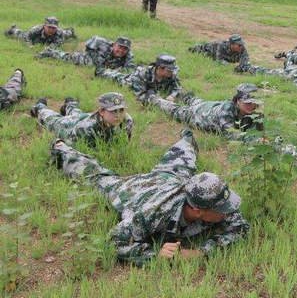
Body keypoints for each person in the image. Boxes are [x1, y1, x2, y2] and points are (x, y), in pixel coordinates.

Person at [50, 130, 249, 265]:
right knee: (95, 175)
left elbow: (241, 228)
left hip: (171, 178)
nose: (229, 211)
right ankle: (61, 149)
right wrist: (155, 255)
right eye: (222, 209)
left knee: (185, 154)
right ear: (197, 210)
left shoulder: (212, 203)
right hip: (135, 190)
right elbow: (114, 243)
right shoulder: (150, 213)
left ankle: (186, 136)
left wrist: (200, 252)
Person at [145, 84, 264, 142]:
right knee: (174, 110)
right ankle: (154, 99)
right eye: (247, 102)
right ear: (237, 101)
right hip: (198, 116)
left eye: (253, 102)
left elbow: (259, 132)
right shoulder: (227, 111)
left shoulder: (256, 111)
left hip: (210, 105)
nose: (251, 105)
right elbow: (231, 135)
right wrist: (255, 141)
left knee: (192, 99)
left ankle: (179, 92)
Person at [31, 92, 133, 147]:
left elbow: (123, 143)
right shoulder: (85, 129)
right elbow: (75, 150)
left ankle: (70, 104)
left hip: (88, 117)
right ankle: (40, 107)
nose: (118, 115)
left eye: (121, 110)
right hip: (73, 129)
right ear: (102, 111)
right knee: (54, 121)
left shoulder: (127, 121)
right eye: (113, 111)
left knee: (78, 114)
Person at [98, 54, 183, 103]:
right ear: (160, 68)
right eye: (169, 70)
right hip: (128, 82)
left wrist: (172, 95)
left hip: (151, 89)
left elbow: (178, 88)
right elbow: (139, 96)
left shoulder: (171, 74)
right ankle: (101, 71)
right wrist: (157, 99)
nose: (172, 72)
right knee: (115, 76)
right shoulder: (142, 74)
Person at [38, 36, 135, 72]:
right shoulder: (103, 43)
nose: (121, 50)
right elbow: (90, 43)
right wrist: (93, 57)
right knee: (67, 57)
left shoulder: (129, 55)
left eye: (125, 49)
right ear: (114, 45)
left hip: (106, 65)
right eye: (120, 47)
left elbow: (129, 69)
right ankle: (50, 51)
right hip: (89, 58)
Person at [5, 16, 76, 46]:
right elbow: (27, 37)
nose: (51, 29)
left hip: (54, 37)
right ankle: (13, 29)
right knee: (21, 35)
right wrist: (30, 45)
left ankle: (71, 31)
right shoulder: (36, 29)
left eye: (53, 28)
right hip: (38, 38)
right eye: (49, 27)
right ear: (44, 26)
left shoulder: (59, 33)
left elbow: (56, 45)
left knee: (67, 34)